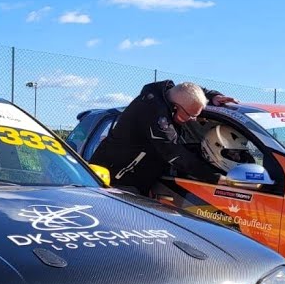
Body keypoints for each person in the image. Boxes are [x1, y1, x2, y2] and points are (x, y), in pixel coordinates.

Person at [89, 80, 238, 197]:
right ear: (174, 107)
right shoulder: (154, 114)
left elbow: (187, 89)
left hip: (142, 180)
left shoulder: (171, 93)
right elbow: (175, 154)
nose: (193, 120)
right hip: (113, 181)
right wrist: (216, 178)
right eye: (191, 115)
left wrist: (212, 96)